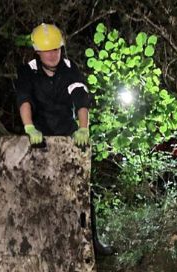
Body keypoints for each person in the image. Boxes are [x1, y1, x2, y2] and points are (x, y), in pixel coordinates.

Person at [15, 23, 112, 256]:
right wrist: (29, 127)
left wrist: (83, 128)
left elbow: (80, 97)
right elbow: (24, 99)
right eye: (47, 51)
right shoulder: (27, 70)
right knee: (43, 192)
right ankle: (46, 246)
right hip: (40, 137)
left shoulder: (69, 68)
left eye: (56, 49)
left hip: (68, 134)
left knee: (82, 190)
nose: (53, 55)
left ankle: (92, 242)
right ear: (37, 52)